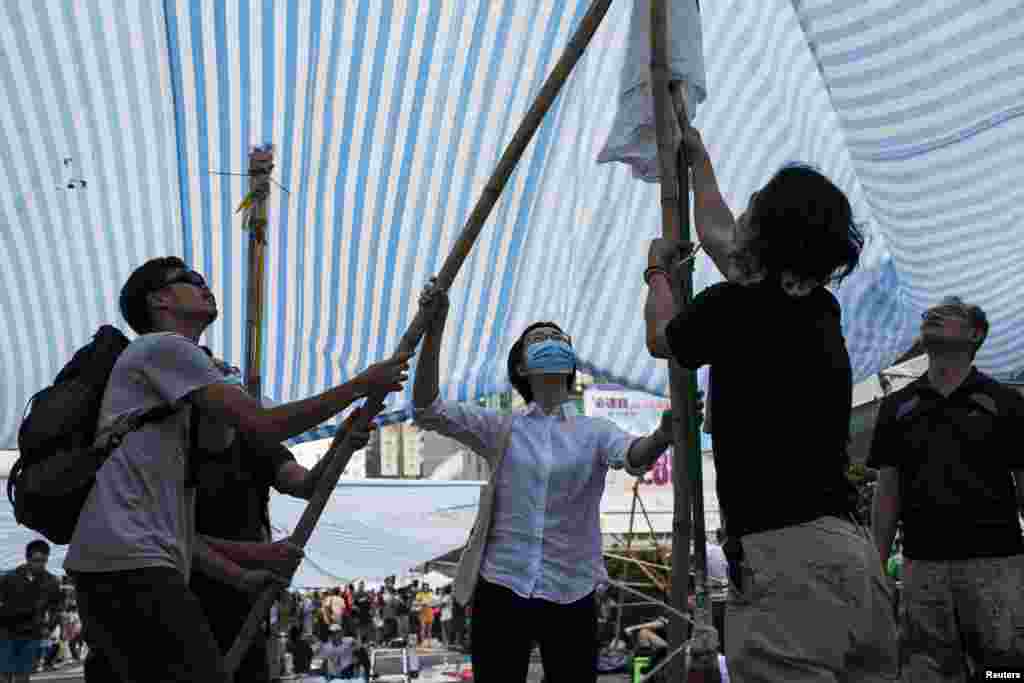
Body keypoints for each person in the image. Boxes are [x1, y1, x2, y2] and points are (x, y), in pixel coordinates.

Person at [64, 256, 412, 683]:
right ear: (159, 300)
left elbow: (181, 532)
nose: (204, 286)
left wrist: (241, 576)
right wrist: (361, 384)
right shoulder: (162, 347)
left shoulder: (174, 434)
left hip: (128, 568)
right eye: (190, 280)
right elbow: (265, 423)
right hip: (127, 569)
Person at [643, 127, 898, 681]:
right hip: (849, 556)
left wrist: (658, 273)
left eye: (756, 207)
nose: (745, 213)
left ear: (768, 232)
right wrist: (699, 158)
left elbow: (664, 340)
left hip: (785, 562)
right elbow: (719, 235)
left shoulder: (735, 305)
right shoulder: (820, 308)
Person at [413, 284, 675, 683]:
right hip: (501, 585)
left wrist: (661, 437)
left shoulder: (595, 431)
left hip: (572, 589)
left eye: (558, 340)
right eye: (540, 341)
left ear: (569, 361)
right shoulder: (500, 428)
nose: (552, 343)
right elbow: (427, 408)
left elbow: (634, 454)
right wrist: (436, 327)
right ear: (521, 367)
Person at [869, 296, 1024, 677]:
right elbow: (887, 492)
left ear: (975, 334)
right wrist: (877, 566)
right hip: (922, 566)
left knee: (1003, 670)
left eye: (948, 314)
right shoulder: (897, 407)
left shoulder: (1004, 403)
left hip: (996, 563)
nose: (933, 316)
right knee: (928, 671)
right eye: (930, 316)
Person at [0, 540, 63, 683]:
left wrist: (49, 626)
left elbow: (57, 608)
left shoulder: (51, 582)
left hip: (31, 634)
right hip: (6, 632)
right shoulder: (10, 578)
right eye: (36, 560)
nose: (40, 564)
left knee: (23, 676)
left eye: (44, 561)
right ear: (27, 558)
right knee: (5, 675)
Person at [353, 580, 373, 645]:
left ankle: (367, 644)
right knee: (359, 631)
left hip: (366, 615)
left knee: (367, 630)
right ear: (358, 585)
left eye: (362, 585)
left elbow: (369, 604)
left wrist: (370, 611)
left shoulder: (366, 594)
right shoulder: (355, 594)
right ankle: (360, 644)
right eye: (360, 585)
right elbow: (353, 605)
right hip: (359, 615)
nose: (361, 586)